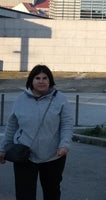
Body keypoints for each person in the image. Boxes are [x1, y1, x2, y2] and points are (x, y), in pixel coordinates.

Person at [0, 65, 73, 200]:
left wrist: (64, 145)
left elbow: (66, 125)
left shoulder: (60, 99)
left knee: (52, 192)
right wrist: (2, 149)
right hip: (24, 155)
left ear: (50, 80)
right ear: (31, 81)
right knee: (24, 194)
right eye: (37, 78)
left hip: (53, 155)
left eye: (45, 78)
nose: (41, 81)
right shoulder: (20, 100)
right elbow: (11, 127)